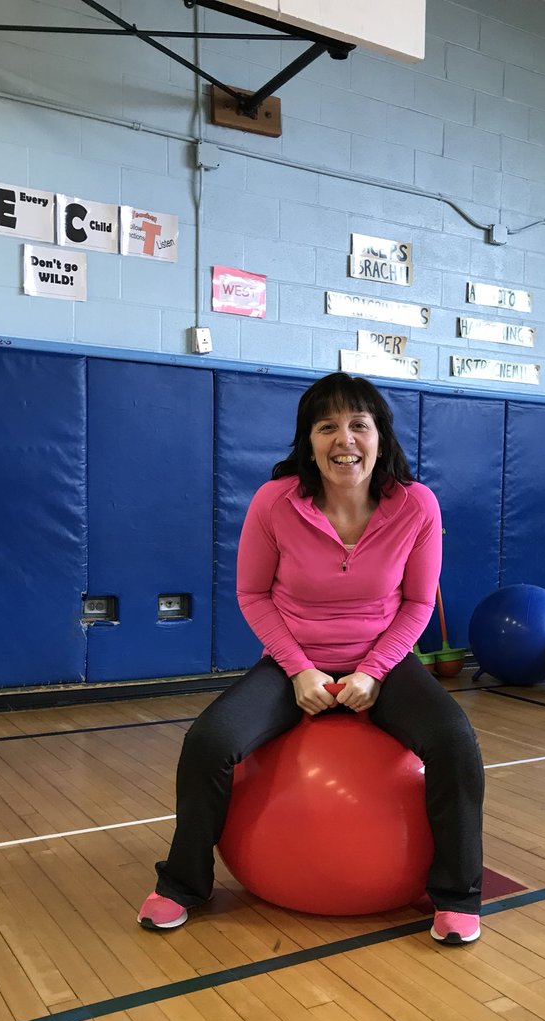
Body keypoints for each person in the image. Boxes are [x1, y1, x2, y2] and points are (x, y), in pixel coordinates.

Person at [137, 372, 485, 944]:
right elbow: (252, 595)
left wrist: (374, 671)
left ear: (380, 436)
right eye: (327, 427)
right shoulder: (275, 502)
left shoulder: (417, 505)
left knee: (454, 741)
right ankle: (183, 884)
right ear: (308, 440)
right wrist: (298, 669)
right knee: (208, 742)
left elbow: (419, 602)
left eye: (358, 425)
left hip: (385, 662)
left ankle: (457, 895)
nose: (344, 439)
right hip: (294, 662)